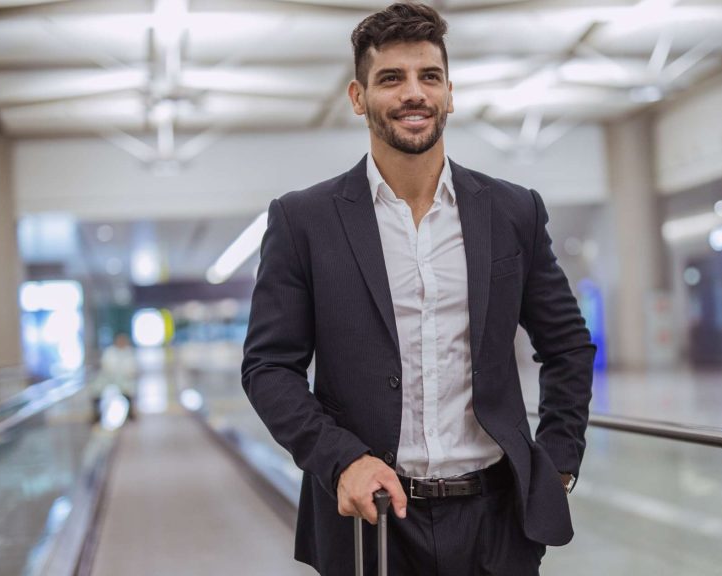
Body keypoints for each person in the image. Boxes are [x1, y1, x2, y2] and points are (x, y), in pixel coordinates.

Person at [241, 3, 595, 574]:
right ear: (358, 97)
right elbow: (268, 368)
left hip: (498, 522)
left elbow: (568, 346)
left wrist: (555, 463)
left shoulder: (511, 212)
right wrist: (342, 460)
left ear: (449, 93)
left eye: (429, 76)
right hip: (371, 520)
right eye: (391, 78)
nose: (414, 93)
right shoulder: (303, 221)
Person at [92, 333, 138, 421]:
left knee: (130, 389)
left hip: (124, 380)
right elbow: (106, 366)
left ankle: (130, 412)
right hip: (108, 378)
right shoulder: (109, 352)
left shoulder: (129, 352)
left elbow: (132, 368)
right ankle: (97, 413)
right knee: (96, 389)